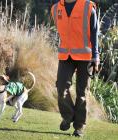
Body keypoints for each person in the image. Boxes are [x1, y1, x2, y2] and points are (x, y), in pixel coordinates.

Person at [51, 0, 100, 137]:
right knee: (61, 87)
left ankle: (79, 127)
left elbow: (95, 31)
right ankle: (68, 116)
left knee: (82, 93)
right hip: (65, 56)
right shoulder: (55, 8)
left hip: (86, 56)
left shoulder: (88, 6)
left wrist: (96, 55)